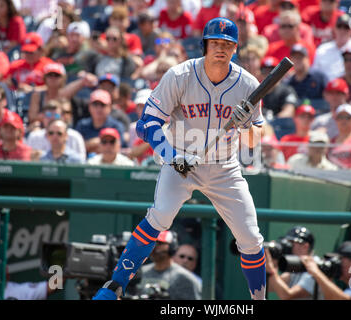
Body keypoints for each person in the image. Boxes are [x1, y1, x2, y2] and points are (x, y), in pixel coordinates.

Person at [93, 17, 267, 301]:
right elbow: (147, 124)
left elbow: (253, 140)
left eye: (227, 44)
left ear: (235, 48)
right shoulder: (179, 75)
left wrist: (245, 125)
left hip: (224, 166)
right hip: (181, 161)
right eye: (215, 43)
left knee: (250, 237)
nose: (220, 49)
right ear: (204, 45)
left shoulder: (247, 83)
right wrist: (172, 155)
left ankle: (258, 300)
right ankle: (114, 286)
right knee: (160, 215)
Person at [137, 230, 202, 300]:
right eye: (152, 243)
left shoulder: (184, 277)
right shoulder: (141, 272)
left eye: (159, 243)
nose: (154, 247)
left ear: (172, 246)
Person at [266, 226, 320, 300]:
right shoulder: (296, 263)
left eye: (291, 243)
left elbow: (287, 295)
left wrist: (271, 271)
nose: (288, 246)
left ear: (305, 246)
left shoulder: (315, 266)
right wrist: (273, 262)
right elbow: (269, 287)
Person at [310, 13, 351, 82]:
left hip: (350, 88)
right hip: (325, 89)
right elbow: (315, 73)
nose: (342, 30)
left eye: (346, 27)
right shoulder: (322, 49)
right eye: (339, 26)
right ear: (334, 28)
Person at [75, 89, 126, 154]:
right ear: (89, 106)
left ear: (110, 107)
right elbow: (76, 149)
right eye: (95, 104)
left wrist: (90, 145)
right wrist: (94, 143)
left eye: (102, 105)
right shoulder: (82, 125)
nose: (98, 109)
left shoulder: (116, 126)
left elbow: (116, 149)